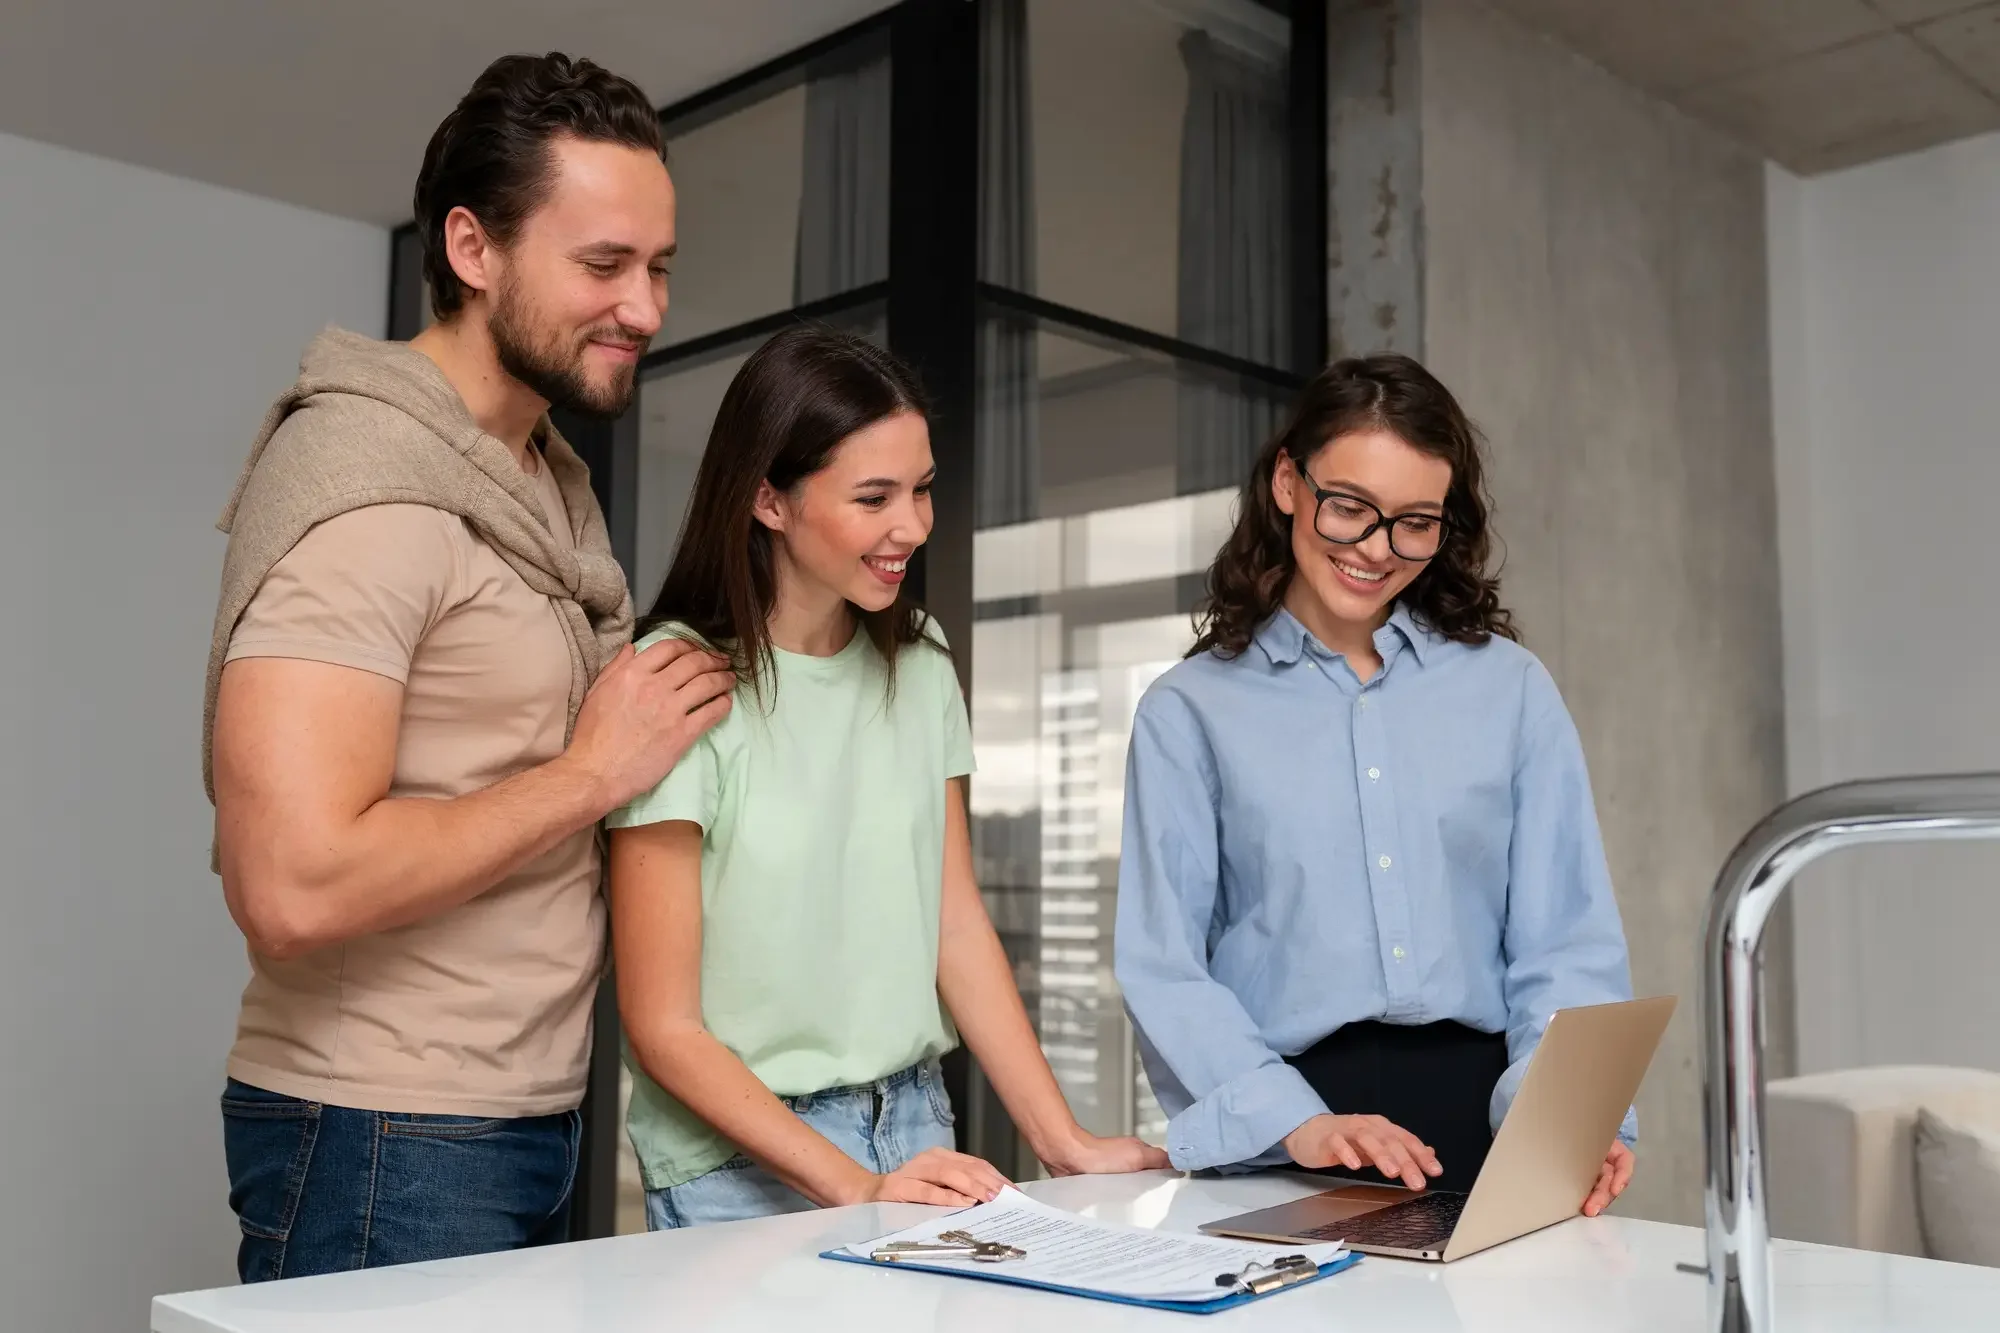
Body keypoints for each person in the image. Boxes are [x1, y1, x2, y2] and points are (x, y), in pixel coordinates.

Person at [205, 53, 735, 1281]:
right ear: (471, 247)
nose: (645, 308)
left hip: (520, 1115)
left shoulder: (546, 484)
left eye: (657, 269)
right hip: (378, 1130)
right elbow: (288, 884)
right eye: (602, 265)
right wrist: (592, 771)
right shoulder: (363, 489)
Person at [609, 325, 1168, 1228]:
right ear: (768, 499)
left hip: (915, 1121)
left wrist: (1062, 1138)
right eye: (873, 496)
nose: (910, 525)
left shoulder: (920, 659)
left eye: (921, 489)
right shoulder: (674, 682)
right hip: (740, 1156)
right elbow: (662, 1026)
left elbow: (952, 924)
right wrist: (854, 1184)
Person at [1114, 354, 1639, 1215]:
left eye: (1414, 523)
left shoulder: (1509, 689)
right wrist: (1295, 1122)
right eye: (1349, 507)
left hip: (1494, 1128)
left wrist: (1575, 1123)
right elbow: (1165, 968)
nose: (1374, 550)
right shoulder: (1188, 712)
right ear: (1289, 481)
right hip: (1288, 1137)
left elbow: (1566, 941)